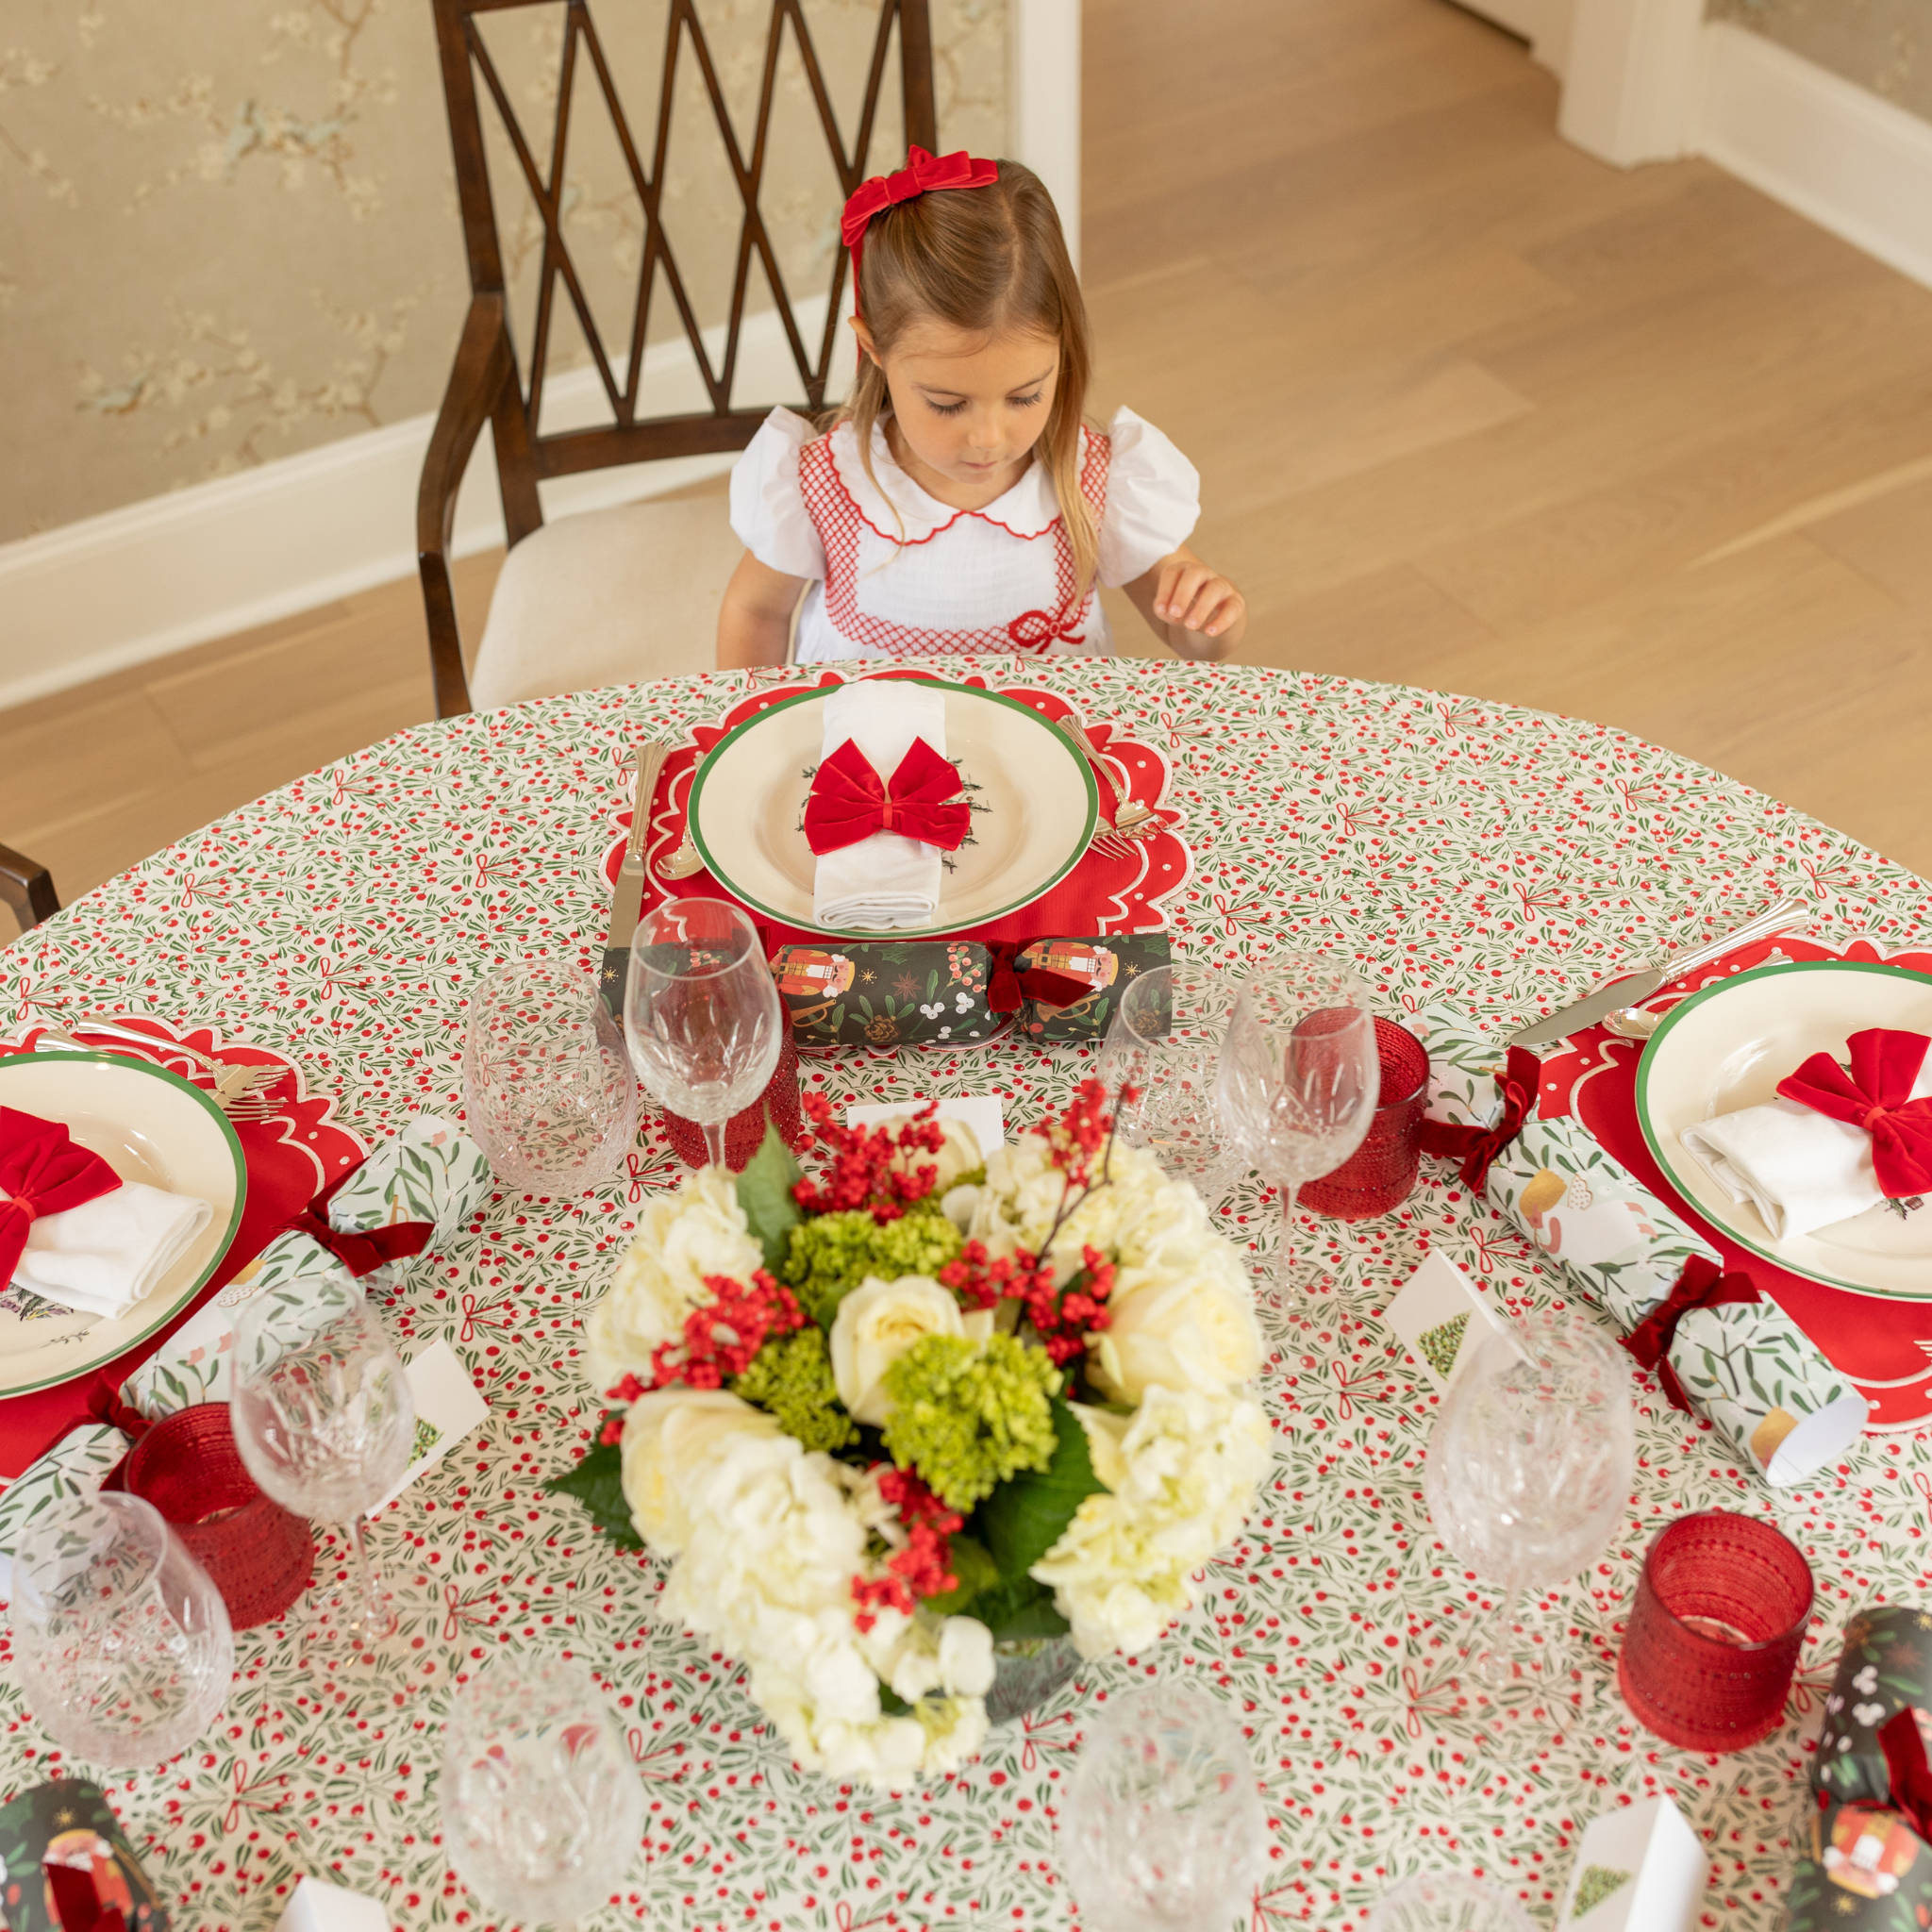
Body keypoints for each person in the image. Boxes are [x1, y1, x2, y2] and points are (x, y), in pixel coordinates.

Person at [717, 145, 1247, 668]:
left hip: (1046, 724)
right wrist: (747, 712)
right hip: (868, 725)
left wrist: (1209, 619)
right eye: (947, 404)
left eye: (1025, 396)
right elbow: (756, 612)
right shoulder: (824, 485)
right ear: (874, 347)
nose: (988, 438)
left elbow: (1187, 638)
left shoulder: (1094, 481)